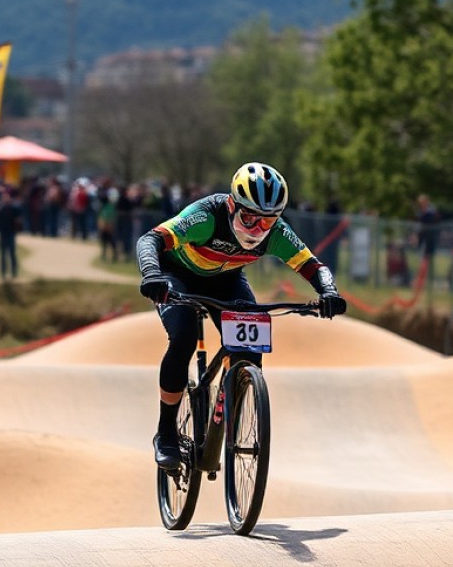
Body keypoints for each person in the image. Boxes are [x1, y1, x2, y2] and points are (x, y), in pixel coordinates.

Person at [135, 162, 347, 469]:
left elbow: (314, 266)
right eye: (249, 218)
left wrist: (328, 291)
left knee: (250, 350)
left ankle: (232, 411)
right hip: (175, 275)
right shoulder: (207, 217)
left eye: (267, 222)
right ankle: (166, 431)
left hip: (226, 280)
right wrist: (152, 274)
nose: (257, 229)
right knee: (183, 338)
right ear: (233, 205)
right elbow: (149, 240)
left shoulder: (277, 233)